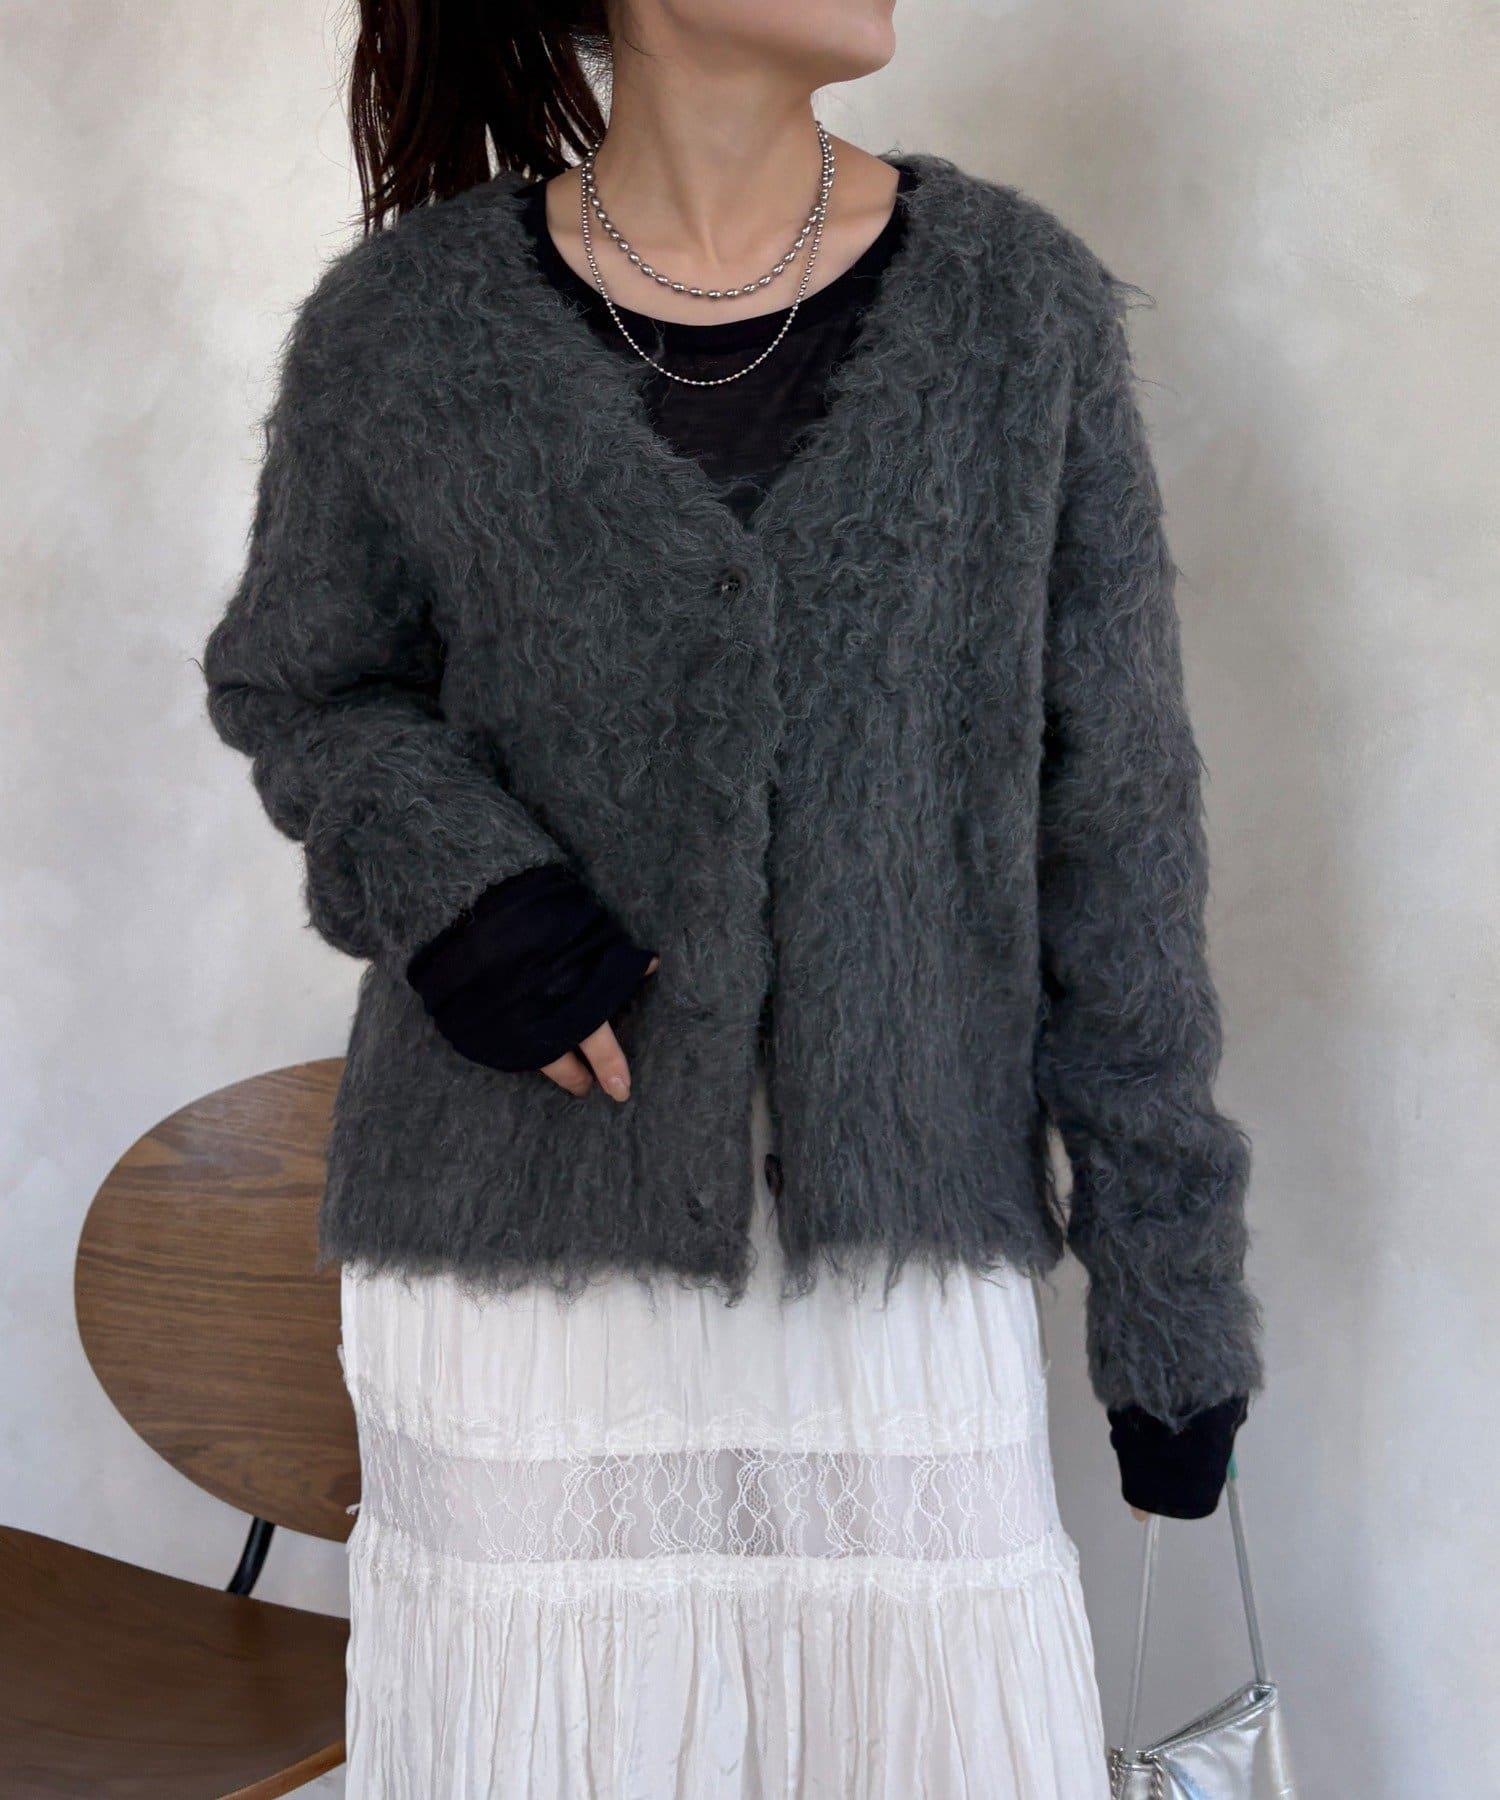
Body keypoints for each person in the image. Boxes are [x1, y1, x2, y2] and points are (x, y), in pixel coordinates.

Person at [201, 1, 1262, 1792]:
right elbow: (303, 682)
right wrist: (461, 891)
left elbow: (1120, 824)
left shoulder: (1020, 314)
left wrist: (1171, 1289)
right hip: (526, 1280)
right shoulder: (404, 328)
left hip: (895, 1272)